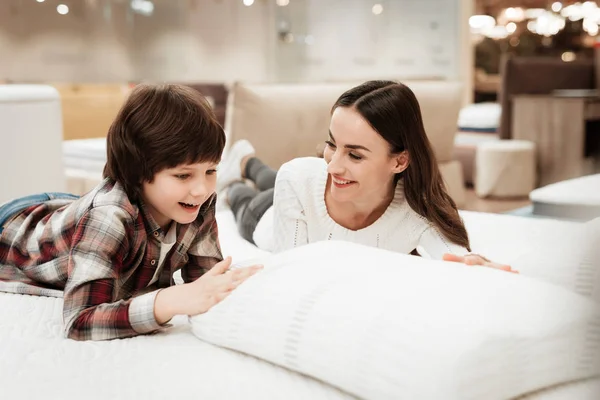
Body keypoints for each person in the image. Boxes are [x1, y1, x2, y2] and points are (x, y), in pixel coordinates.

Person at [0, 84, 262, 341]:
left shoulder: (198, 202)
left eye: (211, 171)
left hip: (68, 208)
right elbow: (80, 321)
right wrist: (167, 301)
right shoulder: (108, 218)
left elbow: (206, 283)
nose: (201, 189)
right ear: (138, 174)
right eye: (183, 175)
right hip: (13, 227)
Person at [217, 80, 515, 272]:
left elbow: (453, 256)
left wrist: (473, 265)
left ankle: (246, 160)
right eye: (332, 144)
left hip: (300, 190)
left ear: (400, 161)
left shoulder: (417, 209)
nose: (333, 165)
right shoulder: (298, 177)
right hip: (265, 217)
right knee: (243, 195)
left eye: (355, 155)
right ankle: (241, 166)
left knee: (279, 177)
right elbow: (292, 271)